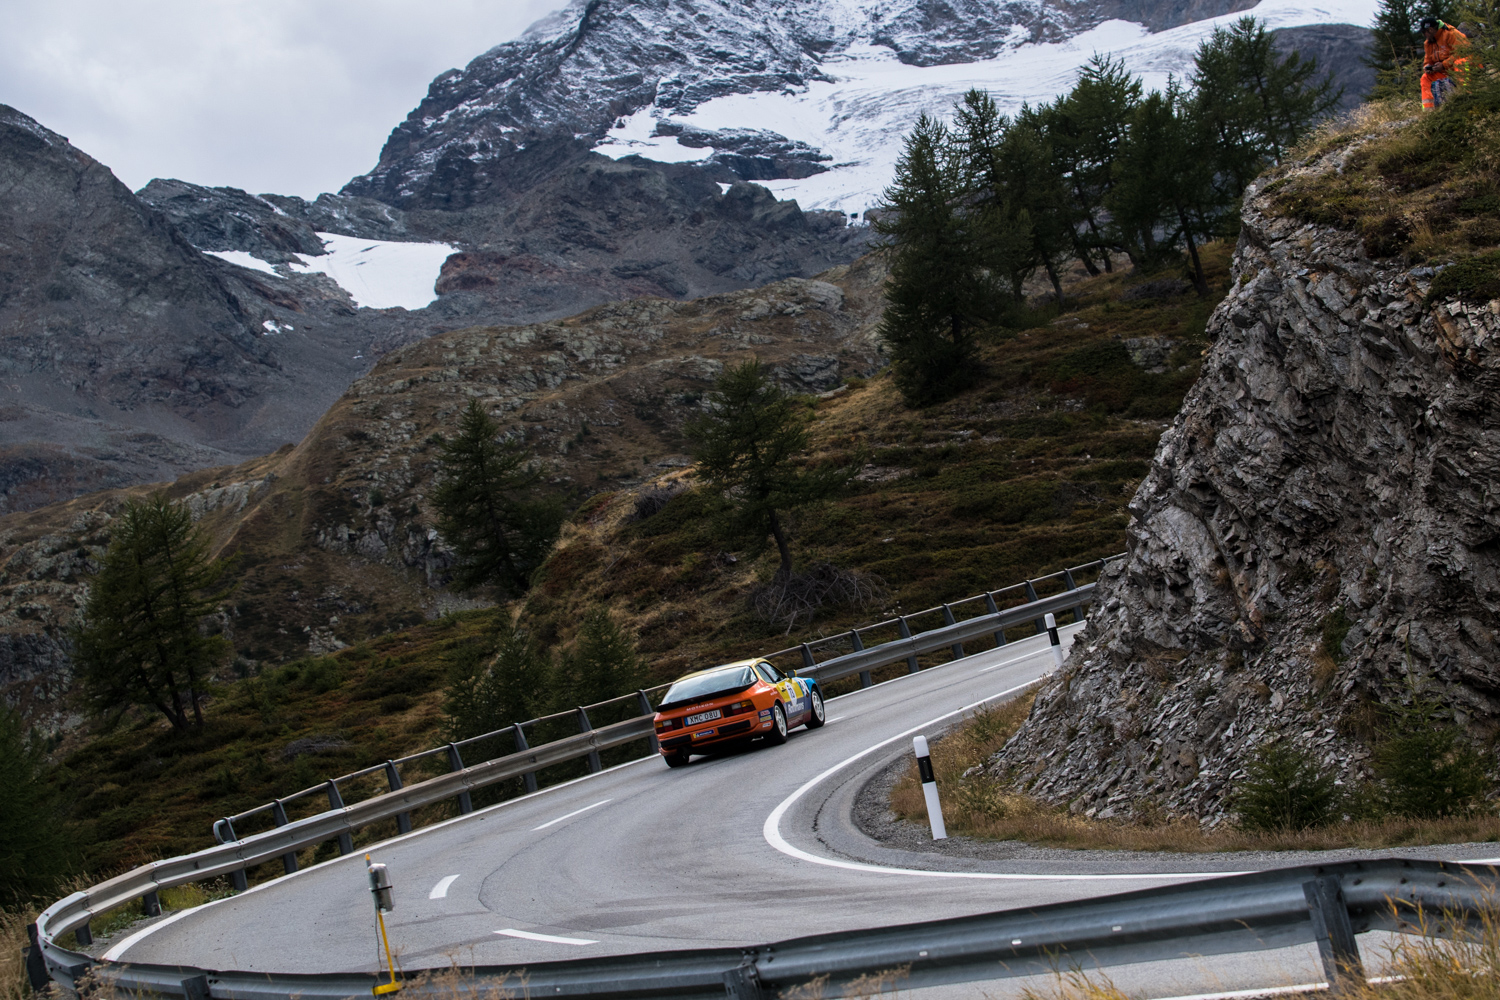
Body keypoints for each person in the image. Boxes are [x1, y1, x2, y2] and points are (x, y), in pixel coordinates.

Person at [1420, 17, 1468, 110]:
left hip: (1468, 66)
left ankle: (1467, 95)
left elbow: (1462, 52)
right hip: (1447, 71)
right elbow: (1427, 60)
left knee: (1460, 63)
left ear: (1430, 30)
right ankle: (1429, 111)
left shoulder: (1451, 33)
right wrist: (1427, 67)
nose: (1424, 35)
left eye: (1424, 32)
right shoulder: (1428, 43)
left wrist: (1444, 64)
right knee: (1425, 78)